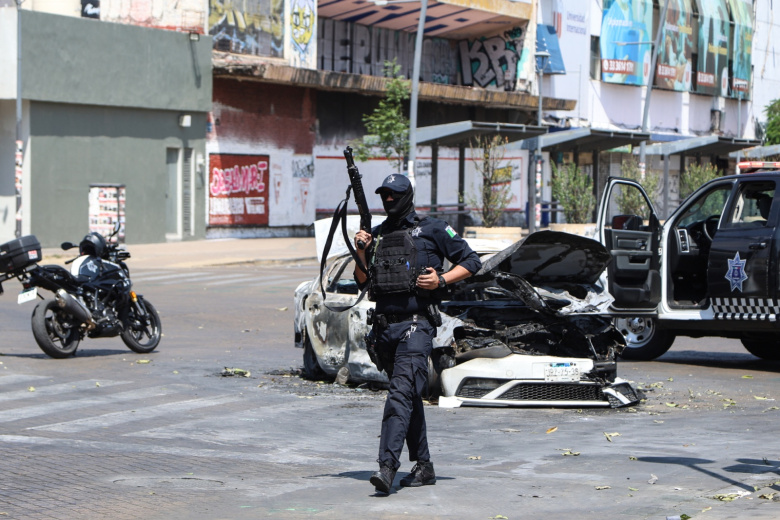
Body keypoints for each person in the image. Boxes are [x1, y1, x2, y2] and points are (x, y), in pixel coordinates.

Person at [353, 173, 482, 494]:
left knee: (399, 394)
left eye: (395, 195)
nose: (389, 200)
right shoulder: (378, 235)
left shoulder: (435, 228)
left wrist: (442, 279)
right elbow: (361, 281)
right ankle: (424, 466)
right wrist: (361, 250)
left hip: (416, 325)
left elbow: (472, 261)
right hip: (384, 330)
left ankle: (387, 466)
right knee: (409, 394)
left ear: (407, 196)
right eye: (384, 195)